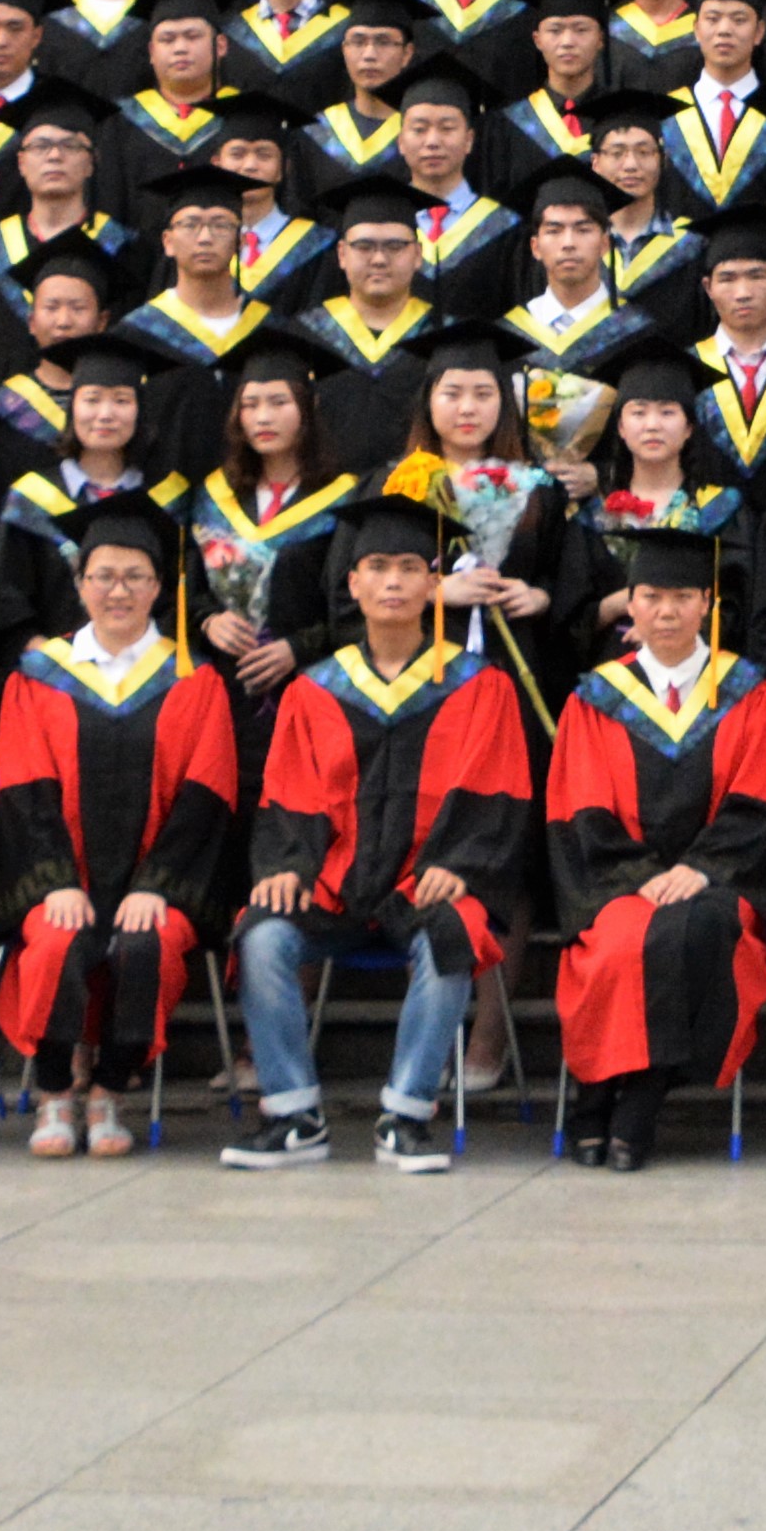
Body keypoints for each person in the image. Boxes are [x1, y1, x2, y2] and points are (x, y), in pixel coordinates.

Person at [228, 496, 534, 1172]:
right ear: (353, 583)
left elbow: (499, 791)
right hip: (332, 883)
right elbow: (286, 793)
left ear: (433, 583)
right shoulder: (314, 690)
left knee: (452, 930)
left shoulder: (480, 686)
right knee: (263, 933)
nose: (393, 581)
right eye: (377, 567)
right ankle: (293, 1114)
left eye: (408, 568)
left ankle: (406, 1114)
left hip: (427, 882)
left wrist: (463, 866)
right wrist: (285, 866)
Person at [0, 499, 238, 1156]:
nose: (118, 591)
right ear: (79, 585)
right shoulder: (39, 677)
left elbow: (206, 793)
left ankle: (109, 1091)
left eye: (134, 577)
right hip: (60, 879)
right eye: (103, 576)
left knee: (146, 942)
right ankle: (54, 1092)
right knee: (54, 940)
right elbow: (23, 787)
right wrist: (55, 882)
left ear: (159, 588)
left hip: (157, 885)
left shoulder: (194, 679)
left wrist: (157, 885)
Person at [543, 529, 766, 1168]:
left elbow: (759, 799)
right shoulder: (596, 697)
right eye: (652, 596)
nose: (667, 611)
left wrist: (701, 868)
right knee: (620, 943)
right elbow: (581, 806)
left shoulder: (749, 691)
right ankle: (600, 1095)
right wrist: (640, 875)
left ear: (707, 603)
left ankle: (633, 1106)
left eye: (683, 596)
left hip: (721, 880)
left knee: (694, 930)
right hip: (618, 880)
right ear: (631, 603)